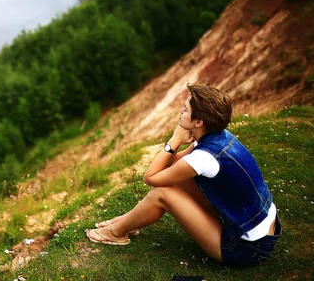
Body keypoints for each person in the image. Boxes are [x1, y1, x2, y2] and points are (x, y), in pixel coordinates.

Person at [85, 84, 281, 266]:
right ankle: (128, 222)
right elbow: (173, 167)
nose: (181, 111)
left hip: (246, 248)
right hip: (259, 226)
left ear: (198, 121)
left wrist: (173, 141)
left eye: (185, 110)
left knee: (162, 194)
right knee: (177, 181)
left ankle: (116, 233)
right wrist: (176, 147)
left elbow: (150, 178)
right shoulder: (218, 136)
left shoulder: (205, 157)